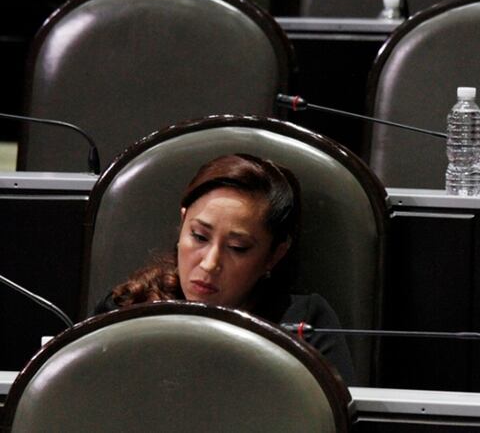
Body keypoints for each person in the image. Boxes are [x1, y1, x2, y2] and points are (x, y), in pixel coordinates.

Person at [93, 153, 355, 381]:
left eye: (238, 248)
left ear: (274, 255)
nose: (210, 264)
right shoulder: (126, 310)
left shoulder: (304, 327)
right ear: (183, 222)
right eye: (199, 236)